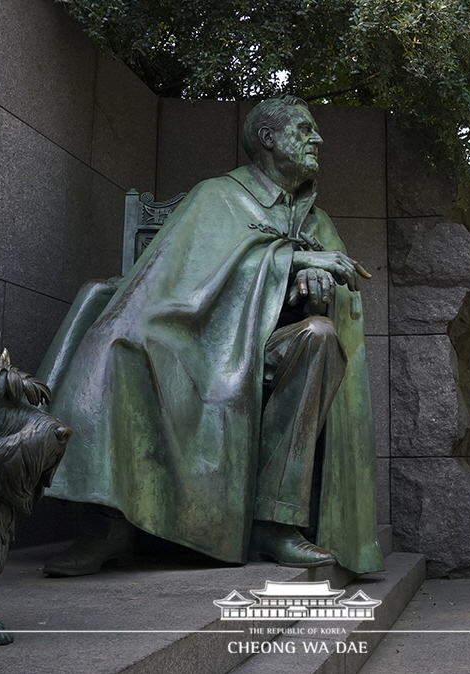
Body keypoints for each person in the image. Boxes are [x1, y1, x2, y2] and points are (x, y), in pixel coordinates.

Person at [36, 96, 384, 577]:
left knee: (321, 336)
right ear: (267, 138)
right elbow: (167, 283)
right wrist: (292, 261)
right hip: (194, 343)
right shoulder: (215, 196)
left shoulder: (317, 222)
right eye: (305, 130)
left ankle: (276, 522)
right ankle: (107, 524)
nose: (318, 140)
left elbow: (344, 303)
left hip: (266, 349)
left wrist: (316, 291)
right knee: (116, 342)